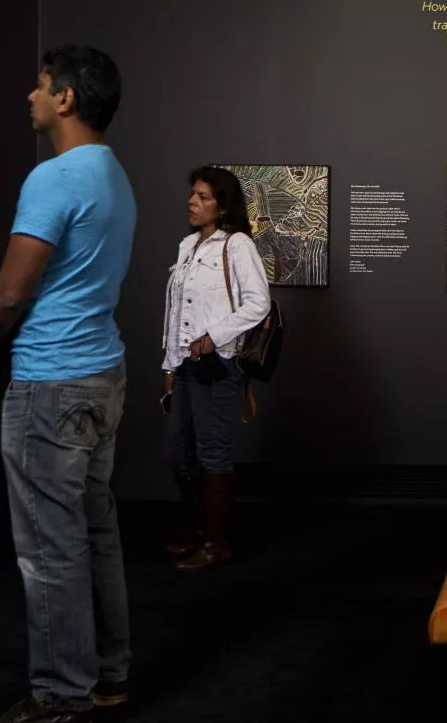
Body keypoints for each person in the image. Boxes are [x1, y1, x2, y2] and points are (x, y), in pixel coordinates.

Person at [0, 45, 137, 723]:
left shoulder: (55, 177)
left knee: (50, 549)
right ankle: (110, 675)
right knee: (95, 532)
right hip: (102, 375)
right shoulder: (115, 177)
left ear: (65, 98)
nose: (30, 97)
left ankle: (62, 695)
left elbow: (10, 292)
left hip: (52, 384)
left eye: (39, 86)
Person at [160, 166, 270, 572]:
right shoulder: (188, 245)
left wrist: (214, 336)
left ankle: (215, 542)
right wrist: (169, 363)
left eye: (203, 196)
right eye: (193, 194)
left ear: (222, 207)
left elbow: (258, 302)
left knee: (212, 453)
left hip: (219, 364)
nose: (193, 202)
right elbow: (175, 310)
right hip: (186, 366)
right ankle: (199, 529)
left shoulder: (237, 244)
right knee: (177, 455)